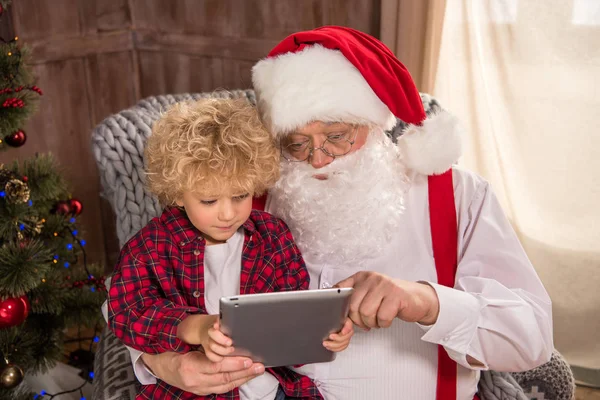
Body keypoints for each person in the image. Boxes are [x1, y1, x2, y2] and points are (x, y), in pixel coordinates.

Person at [116, 27, 553, 400]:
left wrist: (424, 301)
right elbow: (131, 292)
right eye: (296, 143)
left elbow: (530, 340)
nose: (318, 159)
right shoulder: (245, 198)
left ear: (374, 121)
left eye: (338, 137)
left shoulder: (455, 195)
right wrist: (168, 364)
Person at [106, 98, 354, 400]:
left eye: (240, 196)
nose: (227, 214)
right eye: (209, 201)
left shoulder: (272, 237)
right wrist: (192, 328)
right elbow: (126, 313)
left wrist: (324, 334)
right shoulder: (152, 246)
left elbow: (294, 316)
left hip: (271, 389)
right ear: (178, 194)